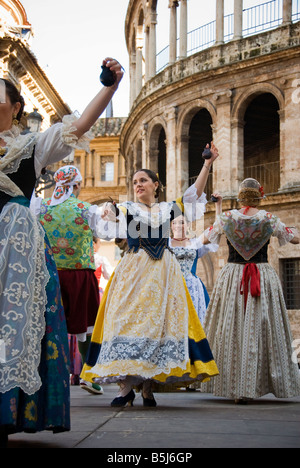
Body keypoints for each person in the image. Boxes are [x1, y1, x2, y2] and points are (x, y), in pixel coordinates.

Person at [0, 58, 124, 447]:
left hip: (15, 242)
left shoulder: (31, 145)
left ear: (16, 106)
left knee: (13, 325)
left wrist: (109, 86)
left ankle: (7, 413)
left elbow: (81, 124)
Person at [80, 144, 220, 407]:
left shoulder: (169, 209)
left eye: (143, 180)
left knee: (158, 325)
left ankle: (146, 387)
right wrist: (105, 212)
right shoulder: (127, 208)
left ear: (156, 184)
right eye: (134, 181)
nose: (138, 184)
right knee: (125, 320)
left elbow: (195, 195)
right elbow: (104, 222)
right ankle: (125, 387)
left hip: (163, 274)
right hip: (133, 271)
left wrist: (207, 164)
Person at [201, 178, 300, 403]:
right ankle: (253, 385)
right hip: (261, 275)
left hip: (233, 276)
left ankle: (233, 385)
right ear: (260, 196)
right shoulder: (268, 219)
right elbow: (293, 238)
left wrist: (219, 212)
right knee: (262, 328)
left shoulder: (227, 218)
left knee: (230, 328)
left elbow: (207, 236)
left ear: (240, 197)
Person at [37, 166, 105, 396]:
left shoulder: (40, 207)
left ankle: (42, 374)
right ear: (76, 185)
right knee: (85, 326)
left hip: (49, 273)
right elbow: (106, 233)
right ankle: (88, 373)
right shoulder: (86, 209)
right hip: (79, 273)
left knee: (46, 326)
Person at [169, 209, 219, 324]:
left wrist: (218, 205)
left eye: (181, 222)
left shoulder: (195, 243)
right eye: (174, 222)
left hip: (193, 288)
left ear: (188, 225)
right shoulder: (167, 244)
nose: (178, 226)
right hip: (172, 286)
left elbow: (216, 231)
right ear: (171, 225)